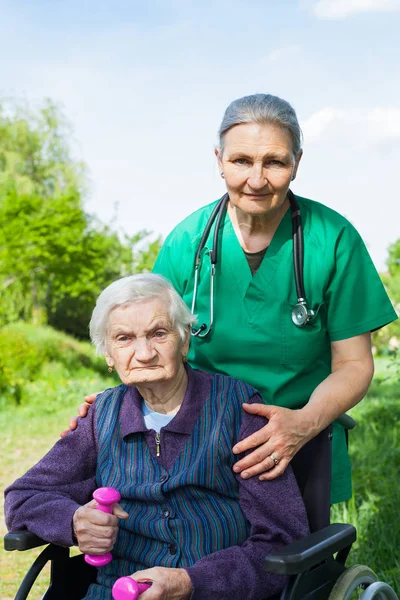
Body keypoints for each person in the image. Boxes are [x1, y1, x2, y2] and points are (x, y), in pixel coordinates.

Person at [68, 93, 397, 505]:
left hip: (301, 434)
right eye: (241, 161)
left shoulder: (332, 240)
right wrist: (115, 402)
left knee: (281, 556)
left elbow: (353, 363)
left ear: (297, 163)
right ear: (219, 160)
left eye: (274, 162)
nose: (256, 179)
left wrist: (302, 424)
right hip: (196, 436)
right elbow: (146, 338)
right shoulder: (188, 241)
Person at [5, 274, 309, 600]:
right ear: (108, 355)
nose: (144, 353)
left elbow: (281, 538)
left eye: (158, 333)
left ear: (185, 340)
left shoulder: (238, 407)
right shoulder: (101, 417)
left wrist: (193, 582)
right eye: (124, 339)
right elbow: (23, 496)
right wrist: (74, 521)